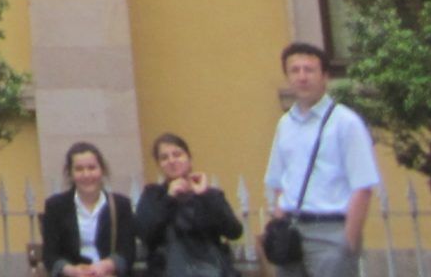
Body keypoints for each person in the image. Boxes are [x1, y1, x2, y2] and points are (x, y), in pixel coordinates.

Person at [264, 41, 381, 277]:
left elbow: (363, 186)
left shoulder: (346, 123)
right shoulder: (285, 124)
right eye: (295, 70)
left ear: (325, 76)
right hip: (292, 232)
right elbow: (279, 181)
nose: (302, 77)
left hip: (330, 231)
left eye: (309, 70)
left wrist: (348, 239)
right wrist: (279, 222)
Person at [137, 132, 243, 277]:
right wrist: (169, 199)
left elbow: (234, 231)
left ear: (189, 158)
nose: (172, 161)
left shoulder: (210, 194)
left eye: (177, 154)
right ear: (159, 165)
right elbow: (145, 234)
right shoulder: (152, 195)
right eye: (164, 158)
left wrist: (205, 195)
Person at [42, 142, 138, 277]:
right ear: (70, 173)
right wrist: (72, 270)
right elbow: (50, 255)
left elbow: (127, 251)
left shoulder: (121, 205)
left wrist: (107, 265)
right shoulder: (55, 207)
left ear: (102, 170)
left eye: (92, 168)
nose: (86, 175)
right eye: (79, 169)